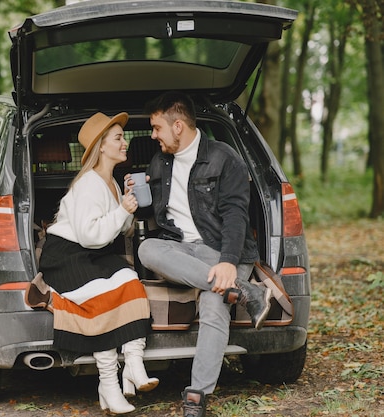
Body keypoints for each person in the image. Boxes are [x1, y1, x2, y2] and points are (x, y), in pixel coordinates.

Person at [136, 92, 272, 417]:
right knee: (146, 248)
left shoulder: (225, 159)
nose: (152, 135)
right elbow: (153, 210)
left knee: (213, 303)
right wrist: (132, 195)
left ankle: (196, 396)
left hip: (224, 249)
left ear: (178, 126)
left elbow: (237, 216)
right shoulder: (159, 162)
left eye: (156, 128)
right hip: (182, 248)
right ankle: (245, 290)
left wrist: (227, 261)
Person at [25, 112, 159, 414]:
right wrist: (122, 209)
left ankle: (134, 363)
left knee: (131, 282)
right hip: (66, 256)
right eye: (118, 138)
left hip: (93, 254)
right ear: (101, 146)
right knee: (103, 301)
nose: (125, 143)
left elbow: (118, 231)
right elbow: (90, 235)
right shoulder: (88, 183)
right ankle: (109, 385)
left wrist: (126, 203)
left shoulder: (110, 181)